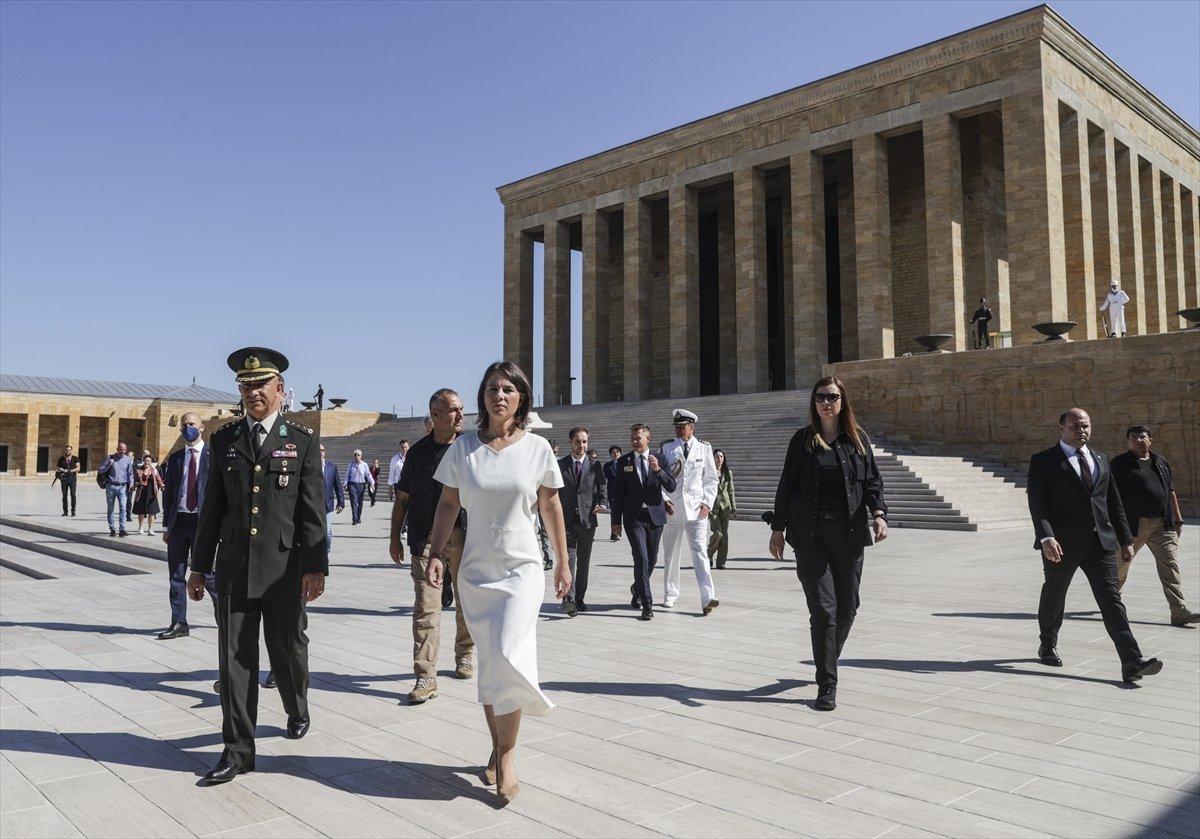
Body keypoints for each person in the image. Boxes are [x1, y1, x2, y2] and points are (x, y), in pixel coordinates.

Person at [424, 361, 570, 805]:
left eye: (508, 389)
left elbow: (551, 509)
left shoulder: (539, 448)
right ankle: (497, 747)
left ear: (521, 397)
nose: (499, 395)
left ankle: (507, 756)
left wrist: (563, 563)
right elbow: (448, 504)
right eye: (492, 388)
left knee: (507, 652)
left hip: (523, 567)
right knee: (490, 664)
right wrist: (434, 553)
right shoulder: (463, 448)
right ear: (482, 397)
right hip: (476, 570)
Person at [189, 347, 327, 785]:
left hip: (285, 569)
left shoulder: (300, 441)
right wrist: (198, 565)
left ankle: (296, 705)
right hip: (233, 568)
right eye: (245, 386)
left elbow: (312, 511)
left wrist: (316, 566)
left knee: (288, 649)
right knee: (234, 662)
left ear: (280, 389)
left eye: (260, 385)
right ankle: (237, 752)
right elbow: (212, 508)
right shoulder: (225, 439)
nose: (252, 393)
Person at [769, 377, 889, 712]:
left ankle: (826, 658)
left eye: (832, 397)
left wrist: (879, 513)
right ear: (813, 402)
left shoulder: (857, 439)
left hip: (849, 537)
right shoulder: (802, 441)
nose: (826, 402)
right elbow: (786, 486)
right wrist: (778, 529)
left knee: (847, 608)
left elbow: (873, 481)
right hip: (810, 536)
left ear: (842, 401)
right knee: (823, 610)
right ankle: (827, 684)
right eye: (820, 397)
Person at [1026, 408, 1162, 685]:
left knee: (1112, 600)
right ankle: (1048, 643)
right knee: (1055, 593)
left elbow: (1113, 503)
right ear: (1061, 428)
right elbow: (1038, 502)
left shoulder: (1100, 459)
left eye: (1086, 425)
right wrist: (1046, 537)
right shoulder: (1043, 461)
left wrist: (1126, 540)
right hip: (1061, 544)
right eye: (1075, 426)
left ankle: (1131, 662)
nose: (1081, 430)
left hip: (1100, 543)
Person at [390, 388, 475, 704]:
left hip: (465, 538)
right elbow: (403, 499)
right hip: (426, 540)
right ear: (436, 415)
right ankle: (425, 676)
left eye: (461, 409)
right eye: (453, 409)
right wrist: (394, 536)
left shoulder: (471, 449)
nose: (460, 415)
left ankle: (464, 653)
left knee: (467, 604)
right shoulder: (419, 453)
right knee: (427, 608)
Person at [1111, 425, 1199, 626]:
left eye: (1142, 436)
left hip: (1162, 523)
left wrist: (1177, 518)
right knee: (1121, 564)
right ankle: (1111, 602)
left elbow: (1170, 490)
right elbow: (1110, 495)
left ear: (1150, 439)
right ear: (1127, 441)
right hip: (1134, 524)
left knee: (1170, 565)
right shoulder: (1119, 464)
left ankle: (1178, 611)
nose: (1137, 440)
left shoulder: (1160, 461)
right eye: (1133, 437)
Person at [158, 413, 218, 643]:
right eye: (184, 425)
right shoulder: (174, 459)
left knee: (209, 574)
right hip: (180, 522)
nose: (187, 428)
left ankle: (221, 612)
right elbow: (170, 495)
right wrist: (167, 526)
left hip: (204, 524)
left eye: (192, 424)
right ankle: (179, 622)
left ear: (202, 427)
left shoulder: (213, 456)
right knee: (176, 575)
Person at [610, 424, 677, 621]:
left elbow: (671, 486)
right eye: (632, 437)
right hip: (634, 518)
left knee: (652, 559)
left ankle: (637, 587)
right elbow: (617, 494)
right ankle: (647, 605)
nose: (634, 441)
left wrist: (658, 470)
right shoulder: (624, 461)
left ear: (648, 438)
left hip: (655, 516)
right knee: (641, 557)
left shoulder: (661, 459)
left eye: (638, 438)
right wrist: (615, 522)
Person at [659, 409, 720, 614]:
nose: (678, 429)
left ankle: (707, 597)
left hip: (696, 509)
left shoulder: (704, 448)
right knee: (671, 554)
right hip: (673, 508)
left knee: (700, 552)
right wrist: (664, 499)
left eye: (682, 426)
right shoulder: (667, 448)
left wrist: (707, 503)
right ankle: (670, 594)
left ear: (691, 427)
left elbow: (711, 479)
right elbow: (660, 478)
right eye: (676, 426)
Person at [556, 426, 607, 616]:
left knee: (584, 561)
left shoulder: (595, 465)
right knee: (568, 560)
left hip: (587, 520)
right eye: (578, 442)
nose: (581, 445)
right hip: (566, 520)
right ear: (570, 442)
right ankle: (568, 599)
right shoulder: (560, 465)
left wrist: (602, 502)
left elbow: (602, 487)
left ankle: (580, 599)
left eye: (584, 442)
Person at [708, 449, 737, 570]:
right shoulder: (709, 472)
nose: (719, 459)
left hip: (725, 507)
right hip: (712, 507)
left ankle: (721, 562)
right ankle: (708, 554)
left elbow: (731, 490)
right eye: (716, 456)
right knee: (718, 533)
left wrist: (734, 508)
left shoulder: (727, 472)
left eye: (721, 457)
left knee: (724, 536)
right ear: (712, 458)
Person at [97, 442, 134, 537]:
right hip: (111, 486)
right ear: (117, 449)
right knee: (111, 508)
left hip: (122, 487)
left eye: (124, 450)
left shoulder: (128, 460)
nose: (122, 451)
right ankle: (112, 528)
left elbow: (130, 474)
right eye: (121, 449)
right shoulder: (110, 458)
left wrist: (131, 483)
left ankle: (122, 529)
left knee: (123, 508)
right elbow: (101, 470)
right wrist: (109, 464)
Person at [320, 444, 345, 554]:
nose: (320, 452)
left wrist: (341, 503)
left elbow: (338, 485)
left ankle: (326, 551)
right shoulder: (310, 466)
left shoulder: (332, 466)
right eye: (318, 450)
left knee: (327, 531)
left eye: (322, 450)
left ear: (325, 452)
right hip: (314, 505)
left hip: (327, 504)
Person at [132, 453, 164, 535]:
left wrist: (162, 486)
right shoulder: (139, 470)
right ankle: (141, 527)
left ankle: (150, 529)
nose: (147, 463)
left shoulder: (154, 470)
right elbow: (135, 480)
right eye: (146, 461)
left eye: (149, 461)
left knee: (152, 512)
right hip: (141, 493)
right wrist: (136, 484)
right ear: (143, 461)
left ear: (151, 462)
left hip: (152, 493)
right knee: (141, 512)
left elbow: (159, 480)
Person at [344, 449, 374, 524]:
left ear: (361, 456)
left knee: (360, 502)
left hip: (361, 485)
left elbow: (368, 474)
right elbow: (347, 474)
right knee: (353, 502)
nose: (356, 456)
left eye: (358, 455)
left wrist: (372, 483)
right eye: (355, 455)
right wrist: (345, 484)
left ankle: (358, 517)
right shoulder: (351, 464)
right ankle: (354, 518)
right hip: (353, 485)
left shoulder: (364, 465)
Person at [603, 445, 623, 541]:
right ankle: (614, 533)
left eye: (617, 452)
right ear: (611, 454)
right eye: (613, 453)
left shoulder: (626, 464)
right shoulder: (607, 466)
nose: (615, 454)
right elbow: (605, 478)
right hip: (613, 493)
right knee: (614, 514)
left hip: (624, 493)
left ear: (620, 453)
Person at [54, 445, 80, 517]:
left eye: (69, 450)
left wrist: (70, 471)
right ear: (64, 450)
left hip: (72, 479)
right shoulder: (61, 459)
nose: (67, 451)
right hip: (64, 479)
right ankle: (65, 511)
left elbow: (78, 468)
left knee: (73, 494)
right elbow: (58, 467)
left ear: (71, 451)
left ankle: (73, 511)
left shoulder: (75, 458)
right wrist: (62, 470)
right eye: (66, 450)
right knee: (64, 495)